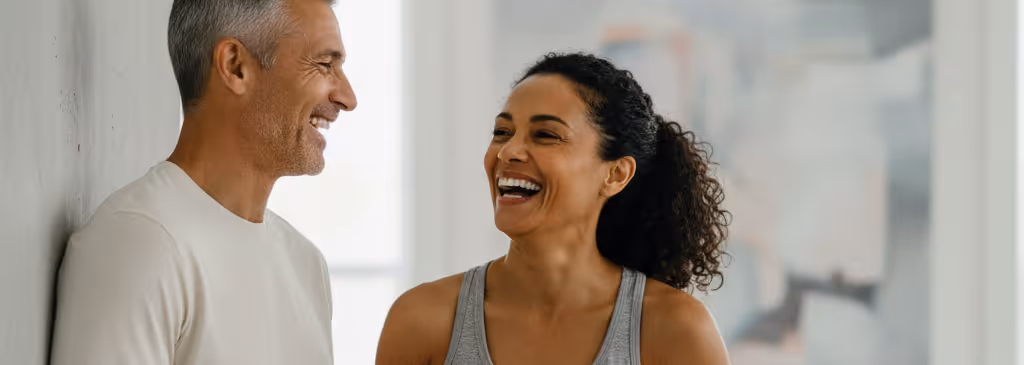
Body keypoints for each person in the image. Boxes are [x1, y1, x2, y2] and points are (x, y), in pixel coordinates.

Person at [49, 0, 356, 364]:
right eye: (325, 65)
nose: (347, 98)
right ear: (235, 66)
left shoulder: (307, 267)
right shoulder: (139, 243)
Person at [376, 52, 730, 365]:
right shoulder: (422, 320)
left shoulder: (676, 330)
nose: (508, 152)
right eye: (502, 132)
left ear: (615, 174)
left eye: (545, 135)